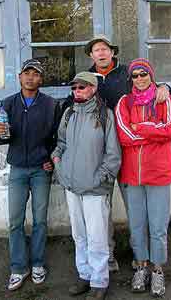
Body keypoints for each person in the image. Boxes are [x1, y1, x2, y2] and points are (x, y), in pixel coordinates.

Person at [62, 35, 169, 272]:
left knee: (135, 207)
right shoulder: (87, 79)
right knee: (102, 208)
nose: (100, 53)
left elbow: (150, 89)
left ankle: (139, 254)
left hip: (130, 152)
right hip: (99, 154)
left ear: (112, 52)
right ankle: (108, 255)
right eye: (95, 50)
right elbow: (74, 102)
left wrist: (164, 87)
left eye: (104, 49)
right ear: (91, 55)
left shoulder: (128, 73)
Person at [0, 59, 60, 291]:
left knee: (40, 220)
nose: (31, 77)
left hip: (42, 169)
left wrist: (51, 159)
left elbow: (56, 138)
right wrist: (1, 135)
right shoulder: (8, 103)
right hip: (18, 169)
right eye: (27, 73)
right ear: (20, 77)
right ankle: (19, 267)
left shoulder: (51, 104)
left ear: (41, 79)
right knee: (15, 221)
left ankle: (38, 263)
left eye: (35, 74)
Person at [52, 72, 121, 300]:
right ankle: (85, 275)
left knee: (97, 236)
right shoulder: (69, 113)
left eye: (81, 87)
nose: (77, 91)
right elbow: (60, 142)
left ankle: (99, 281)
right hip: (71, 185)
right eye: (74, 88)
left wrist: (100, 177)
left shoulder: (105, 115)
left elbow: (113, 155)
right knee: (79, 235)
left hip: (94, 188)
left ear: (92, 88)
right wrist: (58, 162)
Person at [115, 58, 171, 297]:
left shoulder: (165, 99)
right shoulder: (124, 102)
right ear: (130, 79)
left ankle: (158, 269)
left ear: (151, 75)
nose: (139, 79)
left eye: (144, 74)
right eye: (135, 75)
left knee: (158, 226)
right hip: (132, 174)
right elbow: (124, 136)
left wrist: (140, 127)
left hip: (159, 172)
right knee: (137, 225)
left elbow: (169, 130)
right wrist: (154, 128)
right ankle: (141, 266)